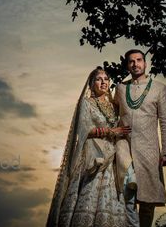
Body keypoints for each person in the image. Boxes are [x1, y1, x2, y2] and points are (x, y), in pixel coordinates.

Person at [46, 67, 132, 227]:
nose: (103, 82)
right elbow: (84, 129)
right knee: (88, 196)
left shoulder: (113, 106)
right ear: (91, 84)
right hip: (92, 157)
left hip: (112, 158)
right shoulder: (86, 103)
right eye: (99, 79)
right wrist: (111, 131)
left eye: (106, 79)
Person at [114, 49, 166, 227]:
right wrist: (112, 131)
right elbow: (111, 114)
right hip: (124, 145)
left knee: (148, 199)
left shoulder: (159, 88)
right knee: (127, 189)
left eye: (139, 60)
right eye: (131, 61)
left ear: (145, 63)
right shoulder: (121, 88)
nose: (135, 64)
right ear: (127, 65)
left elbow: (165, 121)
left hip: (149, 149)